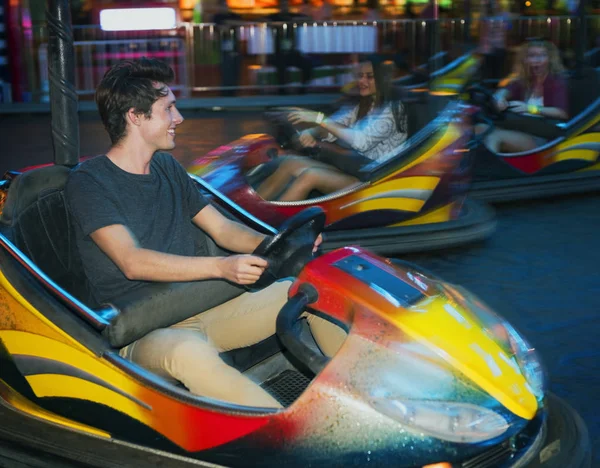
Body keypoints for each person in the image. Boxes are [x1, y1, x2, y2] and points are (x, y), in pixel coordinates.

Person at [65, 58, 345, 408]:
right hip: (143, 328)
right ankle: (284, 438)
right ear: (135, 116)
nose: (179, 118)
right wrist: (220, 268)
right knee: (187, 353)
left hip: (203, 308)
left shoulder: (166, 167)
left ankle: (363, 398)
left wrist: (286, 245)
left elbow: (223, 229)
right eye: (168, 109)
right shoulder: (90, 182)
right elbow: (132, 261)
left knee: (312, 288)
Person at [256, 58, 407, 201]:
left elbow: (361, 141)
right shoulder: (363, 105)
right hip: (356, 171)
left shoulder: (393, 110)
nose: (362, 81)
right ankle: (253, 211)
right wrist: (312, 132)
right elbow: (334, 126)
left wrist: (320, 119)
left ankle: (274, 224)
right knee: (290, 162)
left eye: (369, 77)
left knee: (311, 175)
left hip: (378, 181)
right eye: (360, 76)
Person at [478, 39, 569, 153]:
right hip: (520, 128)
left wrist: (530, 108)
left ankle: (488, 170)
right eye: (532, 56)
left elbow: (562, 113)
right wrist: (500, 99)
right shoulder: (524, 80)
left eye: (542, 56)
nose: (537, 60)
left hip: (542, 135)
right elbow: (504, 91)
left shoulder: (556, 82)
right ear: (525, 60)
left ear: (550, 59)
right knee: (479, 128)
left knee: (493, 137)